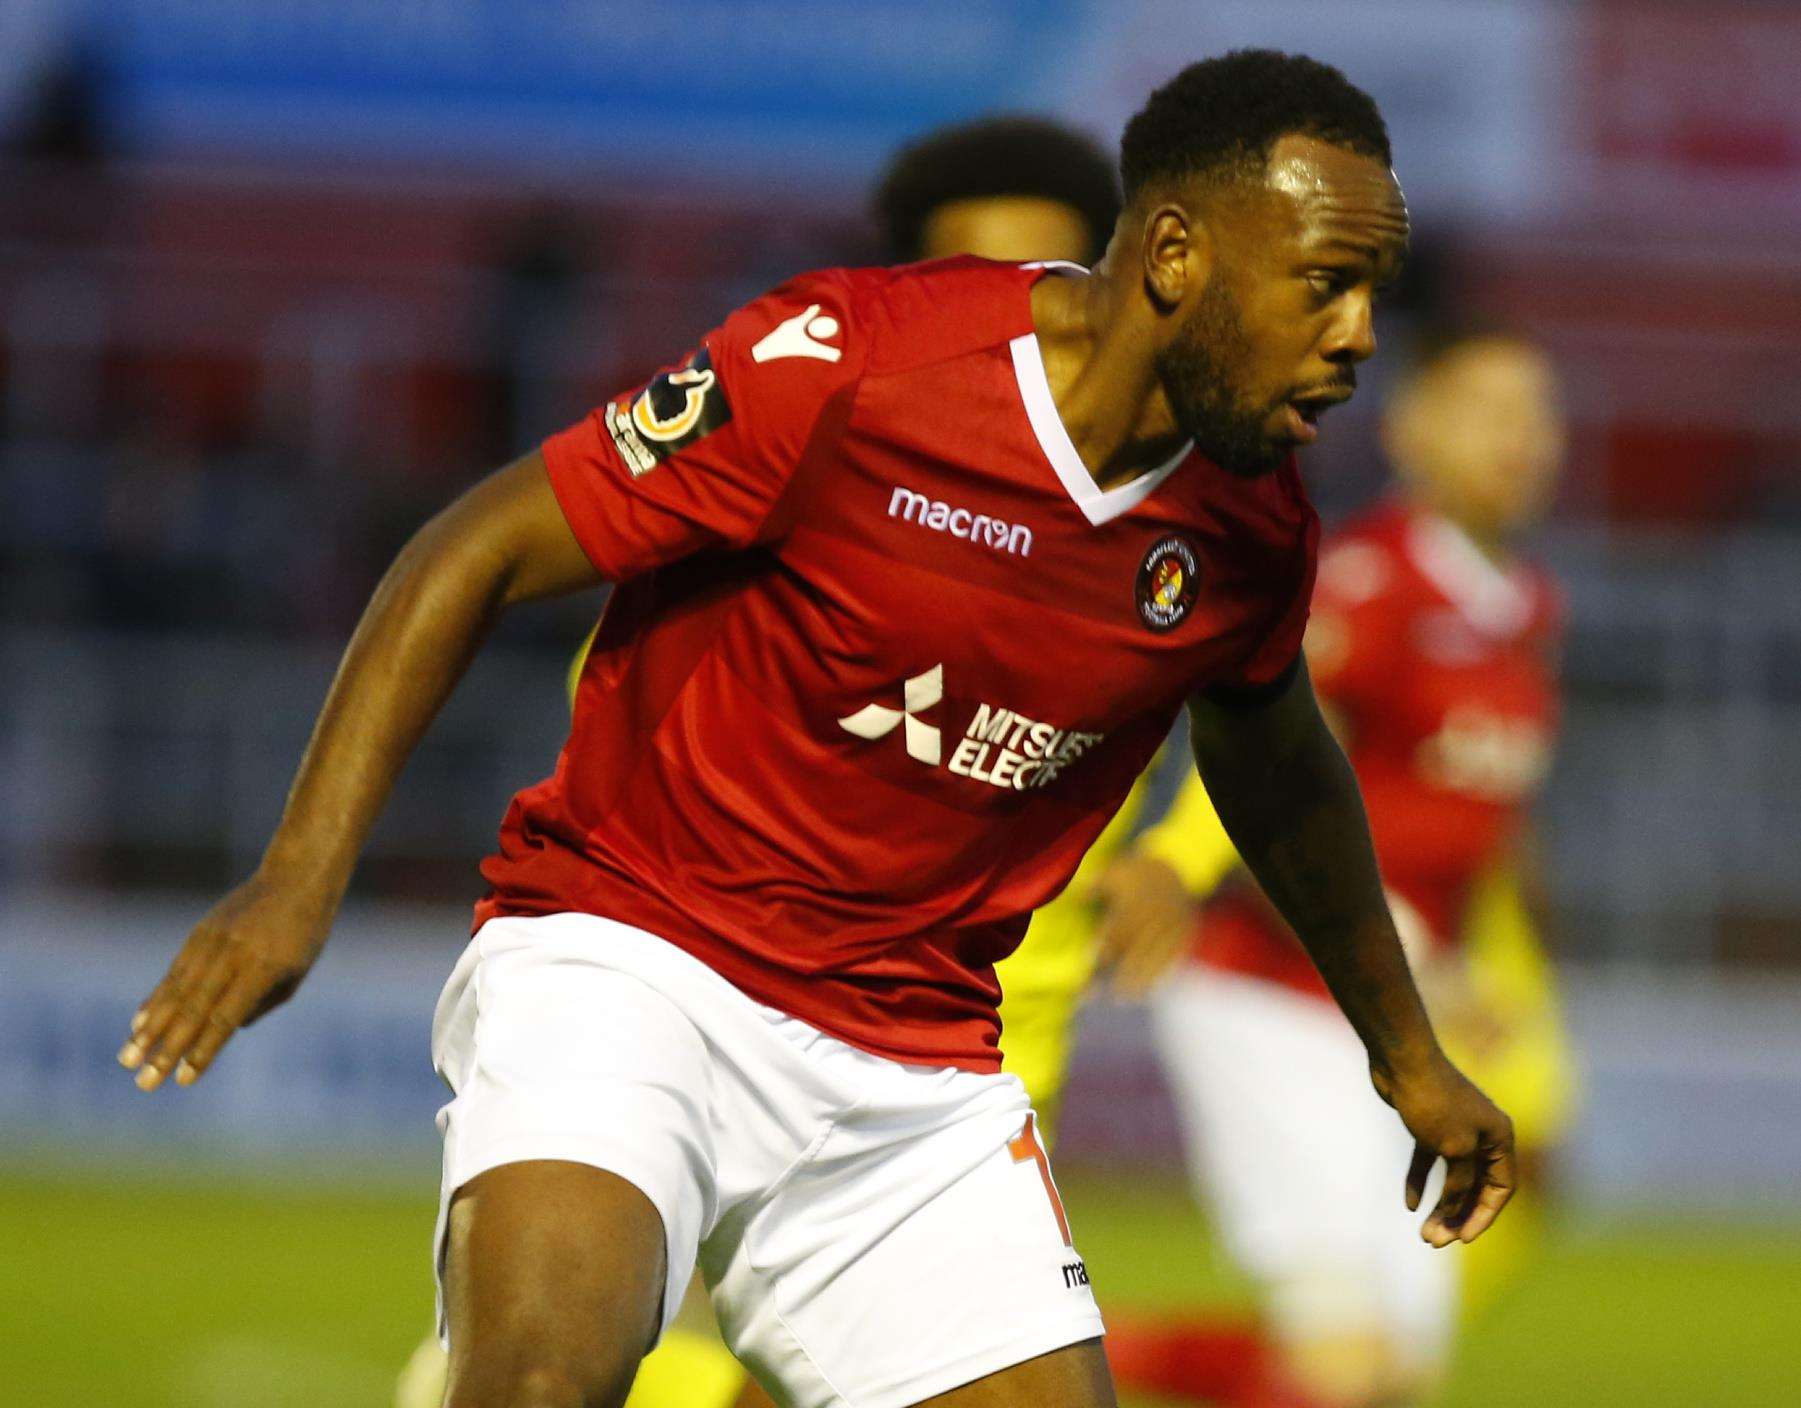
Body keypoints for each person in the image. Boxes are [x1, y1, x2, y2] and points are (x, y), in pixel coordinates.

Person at [119, 50, 1513, 1408]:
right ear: (1173, 257)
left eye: (1372, 294)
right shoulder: (854, 363)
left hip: (911, 1068)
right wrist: (298, 879)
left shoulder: (1251, 528)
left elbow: (1280, 766)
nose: (1360, 338)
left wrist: (1403, 1058)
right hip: (636, 964)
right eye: (1325, 286)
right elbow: (473, 547)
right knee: (542, 1380)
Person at [394, 111, 1127, 1408]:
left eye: (1054, 279)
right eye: (975, 273)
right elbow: (543, 602)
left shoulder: (1169, 541)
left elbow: (1245, 735)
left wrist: (1181, 866)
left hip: (957, 1040)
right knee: (588, 1361)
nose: (1018, 311)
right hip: (693, 985)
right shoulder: (816, 430)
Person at [1104, 324, 1571, 1408]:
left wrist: (1516, 975)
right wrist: (1408, 951)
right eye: (1490, 411)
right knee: (1344, 1363)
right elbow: (1267, 805)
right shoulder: (1366, 585)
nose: (1521, 440)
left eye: (1537, 415)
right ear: (1415, 431)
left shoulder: (1527, 606)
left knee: (1394, 1369)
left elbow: (1490, 823)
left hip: (1406, 1021)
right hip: (1276, 999)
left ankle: (1085, 1352)